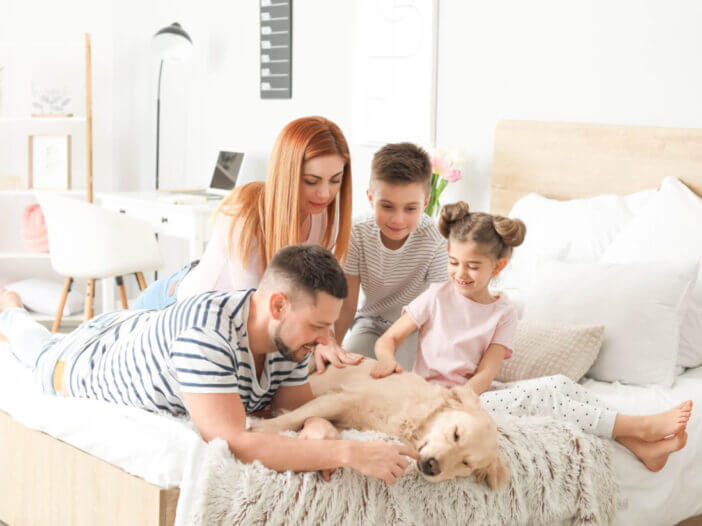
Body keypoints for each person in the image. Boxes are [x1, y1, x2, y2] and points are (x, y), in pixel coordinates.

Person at [0, 245, 417, 485]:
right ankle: (11, 308)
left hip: (135, 328)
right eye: (318, 326)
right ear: (277, 305)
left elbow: (291, 408)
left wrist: (317, 427)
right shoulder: (208, 336)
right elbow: (232, 440)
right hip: (79, 361)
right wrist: (348, 452)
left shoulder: (288, 339)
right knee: (33, 347)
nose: (325, 339)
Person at [371, 201, 693, 472]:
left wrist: (465, 395)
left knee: (559, 385)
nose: (459, 273)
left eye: (472, 266)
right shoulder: (435, 297)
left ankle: (636, 443)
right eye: (454, 262)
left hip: (472, 395)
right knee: (542, 398)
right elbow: (388, 340)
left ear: (497, 267)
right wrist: (387, 361)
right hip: (438, 401)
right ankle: (640, 428)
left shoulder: (503, 312)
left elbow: (487, 371)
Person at [132, 115, 362, 370]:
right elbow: (254, 318)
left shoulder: (321, 216)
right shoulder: (247, 214)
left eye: (336, 180)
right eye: (312, 181)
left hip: (220, 323)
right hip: (171, 307)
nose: (325, 194)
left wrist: (326, 339)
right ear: (287, 174)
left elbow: (312, 296)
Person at [315, 142, 448, 373]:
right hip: (370, 322)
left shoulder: (435, 239)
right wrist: (332, 343)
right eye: (387, 206)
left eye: (410, 209)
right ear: (370, 198)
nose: (397, 220)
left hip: (412, 327)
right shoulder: (357, 232)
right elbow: (348, 303)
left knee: (396, 377)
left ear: (425, 204)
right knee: (346, 370)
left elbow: (441, 306)